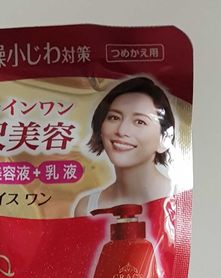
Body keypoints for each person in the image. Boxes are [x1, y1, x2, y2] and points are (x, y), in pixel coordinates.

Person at [73, 77, 175, 216]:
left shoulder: (179, 199)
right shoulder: (86, 208)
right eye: (114, 118)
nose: (121, 130)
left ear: (165, 138)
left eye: (140, 122)